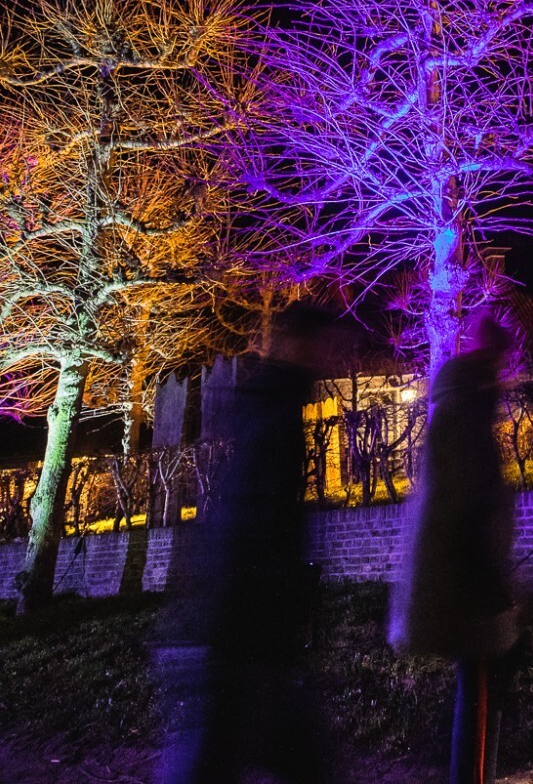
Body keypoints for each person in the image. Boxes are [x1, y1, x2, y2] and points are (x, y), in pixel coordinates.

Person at [160, 302, 338, 783]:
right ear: (301, 344)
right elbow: (257, 513)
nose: (330, 358)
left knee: (226, 754)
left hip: (244, 622)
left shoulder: (270, 402)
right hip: (251, 623)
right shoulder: (276, 408)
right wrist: (277, 596)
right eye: (324, 346)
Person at [391, 309, 522, 784]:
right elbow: (470, 502)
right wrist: (494, 580)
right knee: (481, 691)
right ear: (493, 356)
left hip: (465, 573)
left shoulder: (459, 401)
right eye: (503, 361)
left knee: (481, 685)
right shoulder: (468, 408)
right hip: (471, 579)